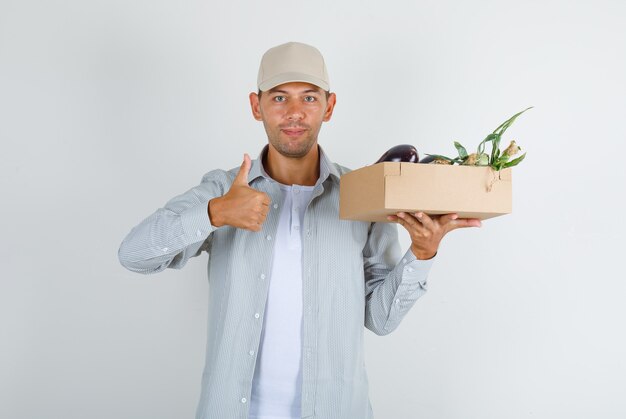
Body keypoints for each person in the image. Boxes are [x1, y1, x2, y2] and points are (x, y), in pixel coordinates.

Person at [118, 41, 481, 419]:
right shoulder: (223, 190)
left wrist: (421, 254)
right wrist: (214, 213)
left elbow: (380, 319)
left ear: (330, 105)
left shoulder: (363, 196)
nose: (294, 113)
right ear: (256, 106)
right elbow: (133, 255)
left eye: (309, 98)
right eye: (279, 98)